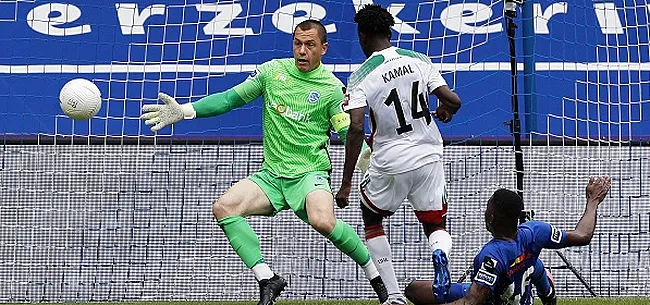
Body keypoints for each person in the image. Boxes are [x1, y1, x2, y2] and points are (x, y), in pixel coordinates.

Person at [140, 20, 388, 305]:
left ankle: (376, 276)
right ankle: (268, 278)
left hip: (310, 173)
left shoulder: (332, 88)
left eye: (309, 45)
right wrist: (185, 111)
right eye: (297, 43)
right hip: (271, 176)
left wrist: (369, 161)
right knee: (224, 208)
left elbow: (348, 133)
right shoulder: (272, 72)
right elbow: (230, 99)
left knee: (323, 221)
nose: (302, 51)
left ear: (323, 48)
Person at [334, 4, 462, 305]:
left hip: (391, 159)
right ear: (390, 31)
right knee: (434, 223)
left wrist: (346, 182)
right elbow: (453, 100)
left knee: (372, 217)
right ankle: (439, 255)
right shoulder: (419, 59)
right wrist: (444, 111)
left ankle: (392, 295)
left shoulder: (361, 76)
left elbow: (354, 129)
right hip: (429, 154)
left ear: (362, 36)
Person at [403, 176, 611, 305]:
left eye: (487, 208)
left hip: (493, 298)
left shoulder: (492, 255)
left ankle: (545, 287)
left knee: (416, 291)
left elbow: (472, 301)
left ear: (492, 217)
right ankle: (548, 292)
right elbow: (583, 236)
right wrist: (593, 201)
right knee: (535, 266)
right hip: (517, 281)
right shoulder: (535, 231)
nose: (485, 213)